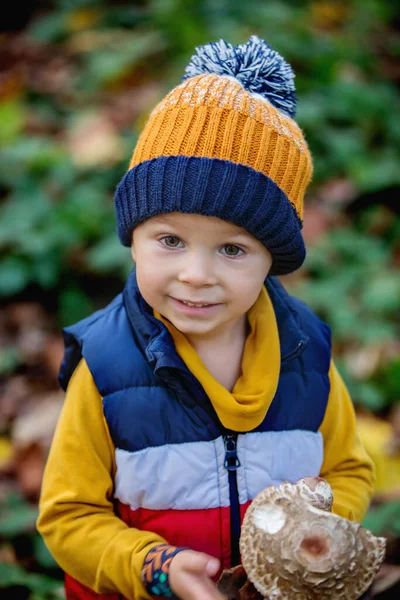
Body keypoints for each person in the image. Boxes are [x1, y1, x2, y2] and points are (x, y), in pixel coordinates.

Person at [37, 36, 375, 600]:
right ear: (133, 238)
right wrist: (154, 567)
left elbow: (350, 472)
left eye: (232, 250)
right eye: (170, 239)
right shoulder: (108, 369)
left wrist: (310, 536)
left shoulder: (307, 359)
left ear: (274, 258)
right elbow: (69, 518)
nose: (196, 274)